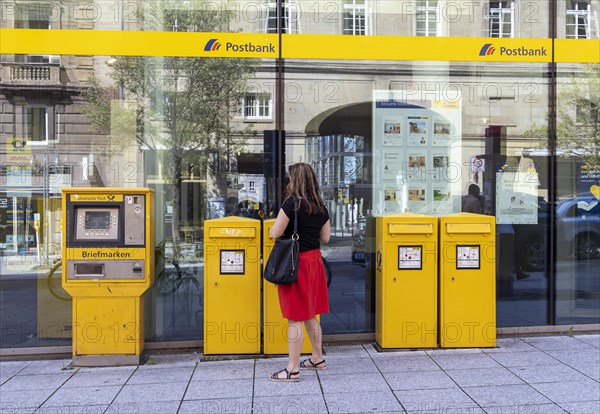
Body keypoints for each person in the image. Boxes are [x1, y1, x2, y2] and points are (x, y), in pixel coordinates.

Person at [268, 162, 331, 382]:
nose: (289, 182)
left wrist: (270, 228)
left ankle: (292, 369)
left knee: (295, 318)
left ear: (296, 180)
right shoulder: (321, 207)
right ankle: (317, 358)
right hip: (314, 263)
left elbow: (275, 232)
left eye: (291, 178)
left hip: (296, 264)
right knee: (311, 315)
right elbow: (325, 238)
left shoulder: (291, 204)